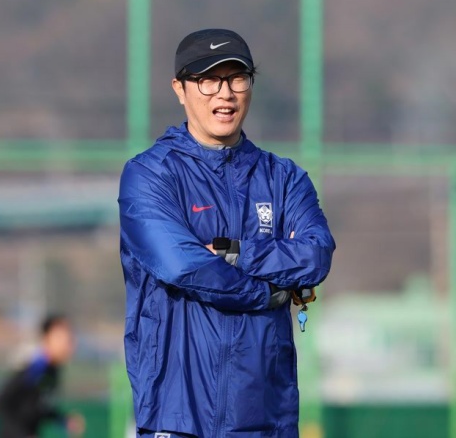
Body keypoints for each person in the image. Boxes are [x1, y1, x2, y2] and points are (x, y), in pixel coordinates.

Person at [118, 28, 336, 438]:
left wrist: (235, 252)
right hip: (177, 416)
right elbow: (183, 266)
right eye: (208, 80)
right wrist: (267, 293)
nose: (226, 93)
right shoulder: (149, 174)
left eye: (237, 78)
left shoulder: (284, 178)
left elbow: (316, 254)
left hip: (266, 417)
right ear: (180, 89)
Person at [0, 314, 85, 438]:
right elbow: (1, 402)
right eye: (63, 338)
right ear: (46, 338)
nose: (68, 344)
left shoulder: (53, 370)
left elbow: (37, 406)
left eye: (70, 339)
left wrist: (62, 420)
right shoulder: (35, 367)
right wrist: (22, 435)